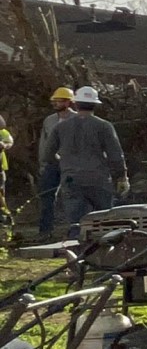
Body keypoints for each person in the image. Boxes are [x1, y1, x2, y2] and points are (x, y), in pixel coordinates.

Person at [44, 86, 129, 239]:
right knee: (104, 222)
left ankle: (76, 256)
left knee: (76, 224)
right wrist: (121, 177)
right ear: (95, 105)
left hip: (71, 179)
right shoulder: (103, 126)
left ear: (75, 104)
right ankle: (103, 257)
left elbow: (47, 155)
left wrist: (64, 166)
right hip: (99, 179)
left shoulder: (60, 127)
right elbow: (115, 155)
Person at [35, 87, 77, 241]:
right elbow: (44, 144)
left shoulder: (78, 120)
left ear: (69, 102)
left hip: (71, 165)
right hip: (51, 165)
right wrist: (43, 163)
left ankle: (74, 231)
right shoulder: (49, 120)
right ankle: (45, 231)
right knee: (47, 197)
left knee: (72, 198)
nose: (56, 103)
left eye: (60, 100)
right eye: (55, 100)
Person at [0, 115, 13, 229]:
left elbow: (10, 142)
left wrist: (4, 145)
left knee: (1, 196)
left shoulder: (2, 132)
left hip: (0, 169)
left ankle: (4, 220)